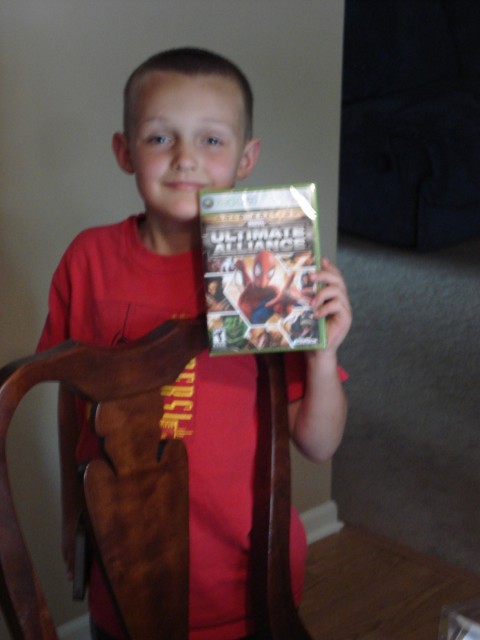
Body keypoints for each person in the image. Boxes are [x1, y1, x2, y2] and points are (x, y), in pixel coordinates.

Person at [37, 47, 352, 640]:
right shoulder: (88, 261)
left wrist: (324, 352)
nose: (185, 158)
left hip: (249, 583)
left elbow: (318, 443)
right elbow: (69, 402)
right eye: (160, 138)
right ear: (124, 151)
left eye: (211, 140)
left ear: (246, 158)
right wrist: (71, 513)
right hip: (124, 572)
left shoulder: (268, 264)